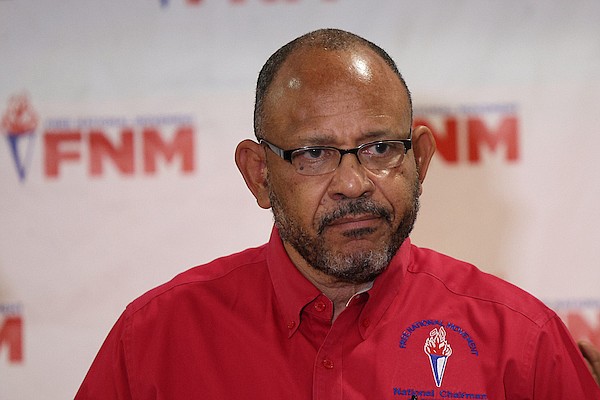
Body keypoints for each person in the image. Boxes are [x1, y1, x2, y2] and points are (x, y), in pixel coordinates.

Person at [75, 28, 600, 399]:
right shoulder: (154, 342)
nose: (352, 183)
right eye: (314, 154)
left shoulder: (524, 344)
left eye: (378, 149)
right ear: (259, 173)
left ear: (419, 159)